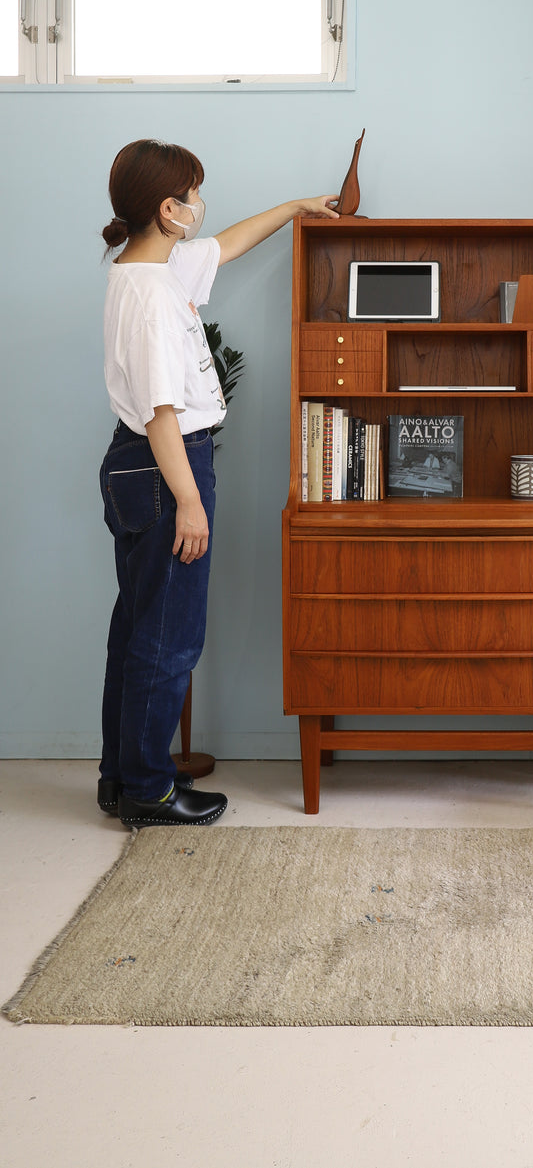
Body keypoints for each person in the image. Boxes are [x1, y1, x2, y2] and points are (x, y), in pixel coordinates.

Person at [98, 138, 339, 828]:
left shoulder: (153, 268)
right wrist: (190, 500)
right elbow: (159, 411)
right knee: (168, 637)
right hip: (163, 464)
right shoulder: (148, 294)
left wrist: (297, 206)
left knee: (137, 627)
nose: (203, 206)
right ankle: (148, 787)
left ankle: (121, 777)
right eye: (193, 194)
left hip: (140, 465)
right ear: (170, 210)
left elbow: (226, 245)